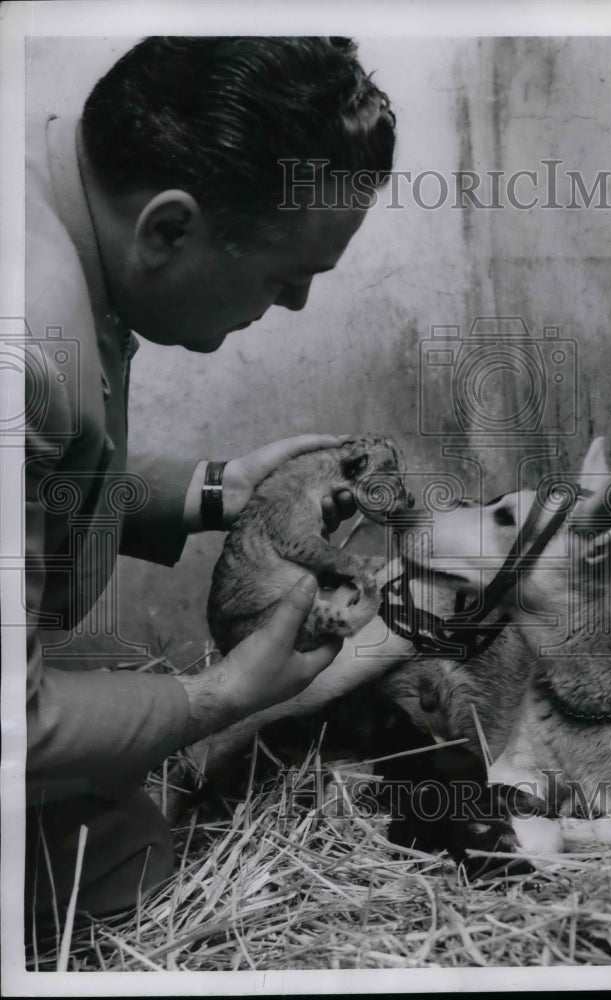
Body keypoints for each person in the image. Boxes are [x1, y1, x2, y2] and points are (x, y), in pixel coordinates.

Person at [25, 36, 396, 922]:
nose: (296, 303)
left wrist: (213, 491)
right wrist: (219, 696)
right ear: (170, 227)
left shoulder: (55, 211)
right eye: (284, 275)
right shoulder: (26, 346)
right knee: (128, 884)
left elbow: (41, 493)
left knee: (128, 847)